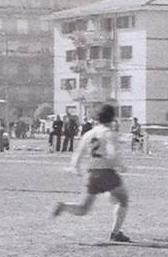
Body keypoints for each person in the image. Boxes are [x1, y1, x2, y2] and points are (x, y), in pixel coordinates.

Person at [53, 103, 133, 243]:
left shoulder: (89, 134)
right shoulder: (109, 134)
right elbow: (112, 153)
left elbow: (78, 153)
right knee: (123, 200)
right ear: (112, 118)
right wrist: (121, 166)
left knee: (84, 208)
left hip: (91, 174)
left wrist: (75, 167)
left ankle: (63, 206)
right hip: (107, 173)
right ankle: (115, 233)